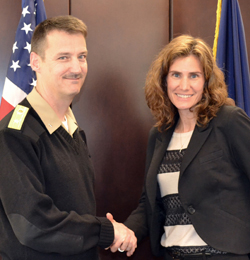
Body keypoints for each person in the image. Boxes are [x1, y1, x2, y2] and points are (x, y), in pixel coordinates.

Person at [0, 15, 136, 260]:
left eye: (81, 56)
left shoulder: (72, 129)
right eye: (63, 57)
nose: (76, 67)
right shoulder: (14, 135)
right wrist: (105, 231)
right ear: (35, 62)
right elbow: (33, 224)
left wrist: (105, 231)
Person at [119, 34, 250, 260]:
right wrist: (125, 232)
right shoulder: (158, 136)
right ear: (164, 80)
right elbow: (149, 204)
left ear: (207, 81)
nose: (184, 85)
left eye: (194, 76)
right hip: (172, 255)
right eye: (176, 75)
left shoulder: (228, 121)